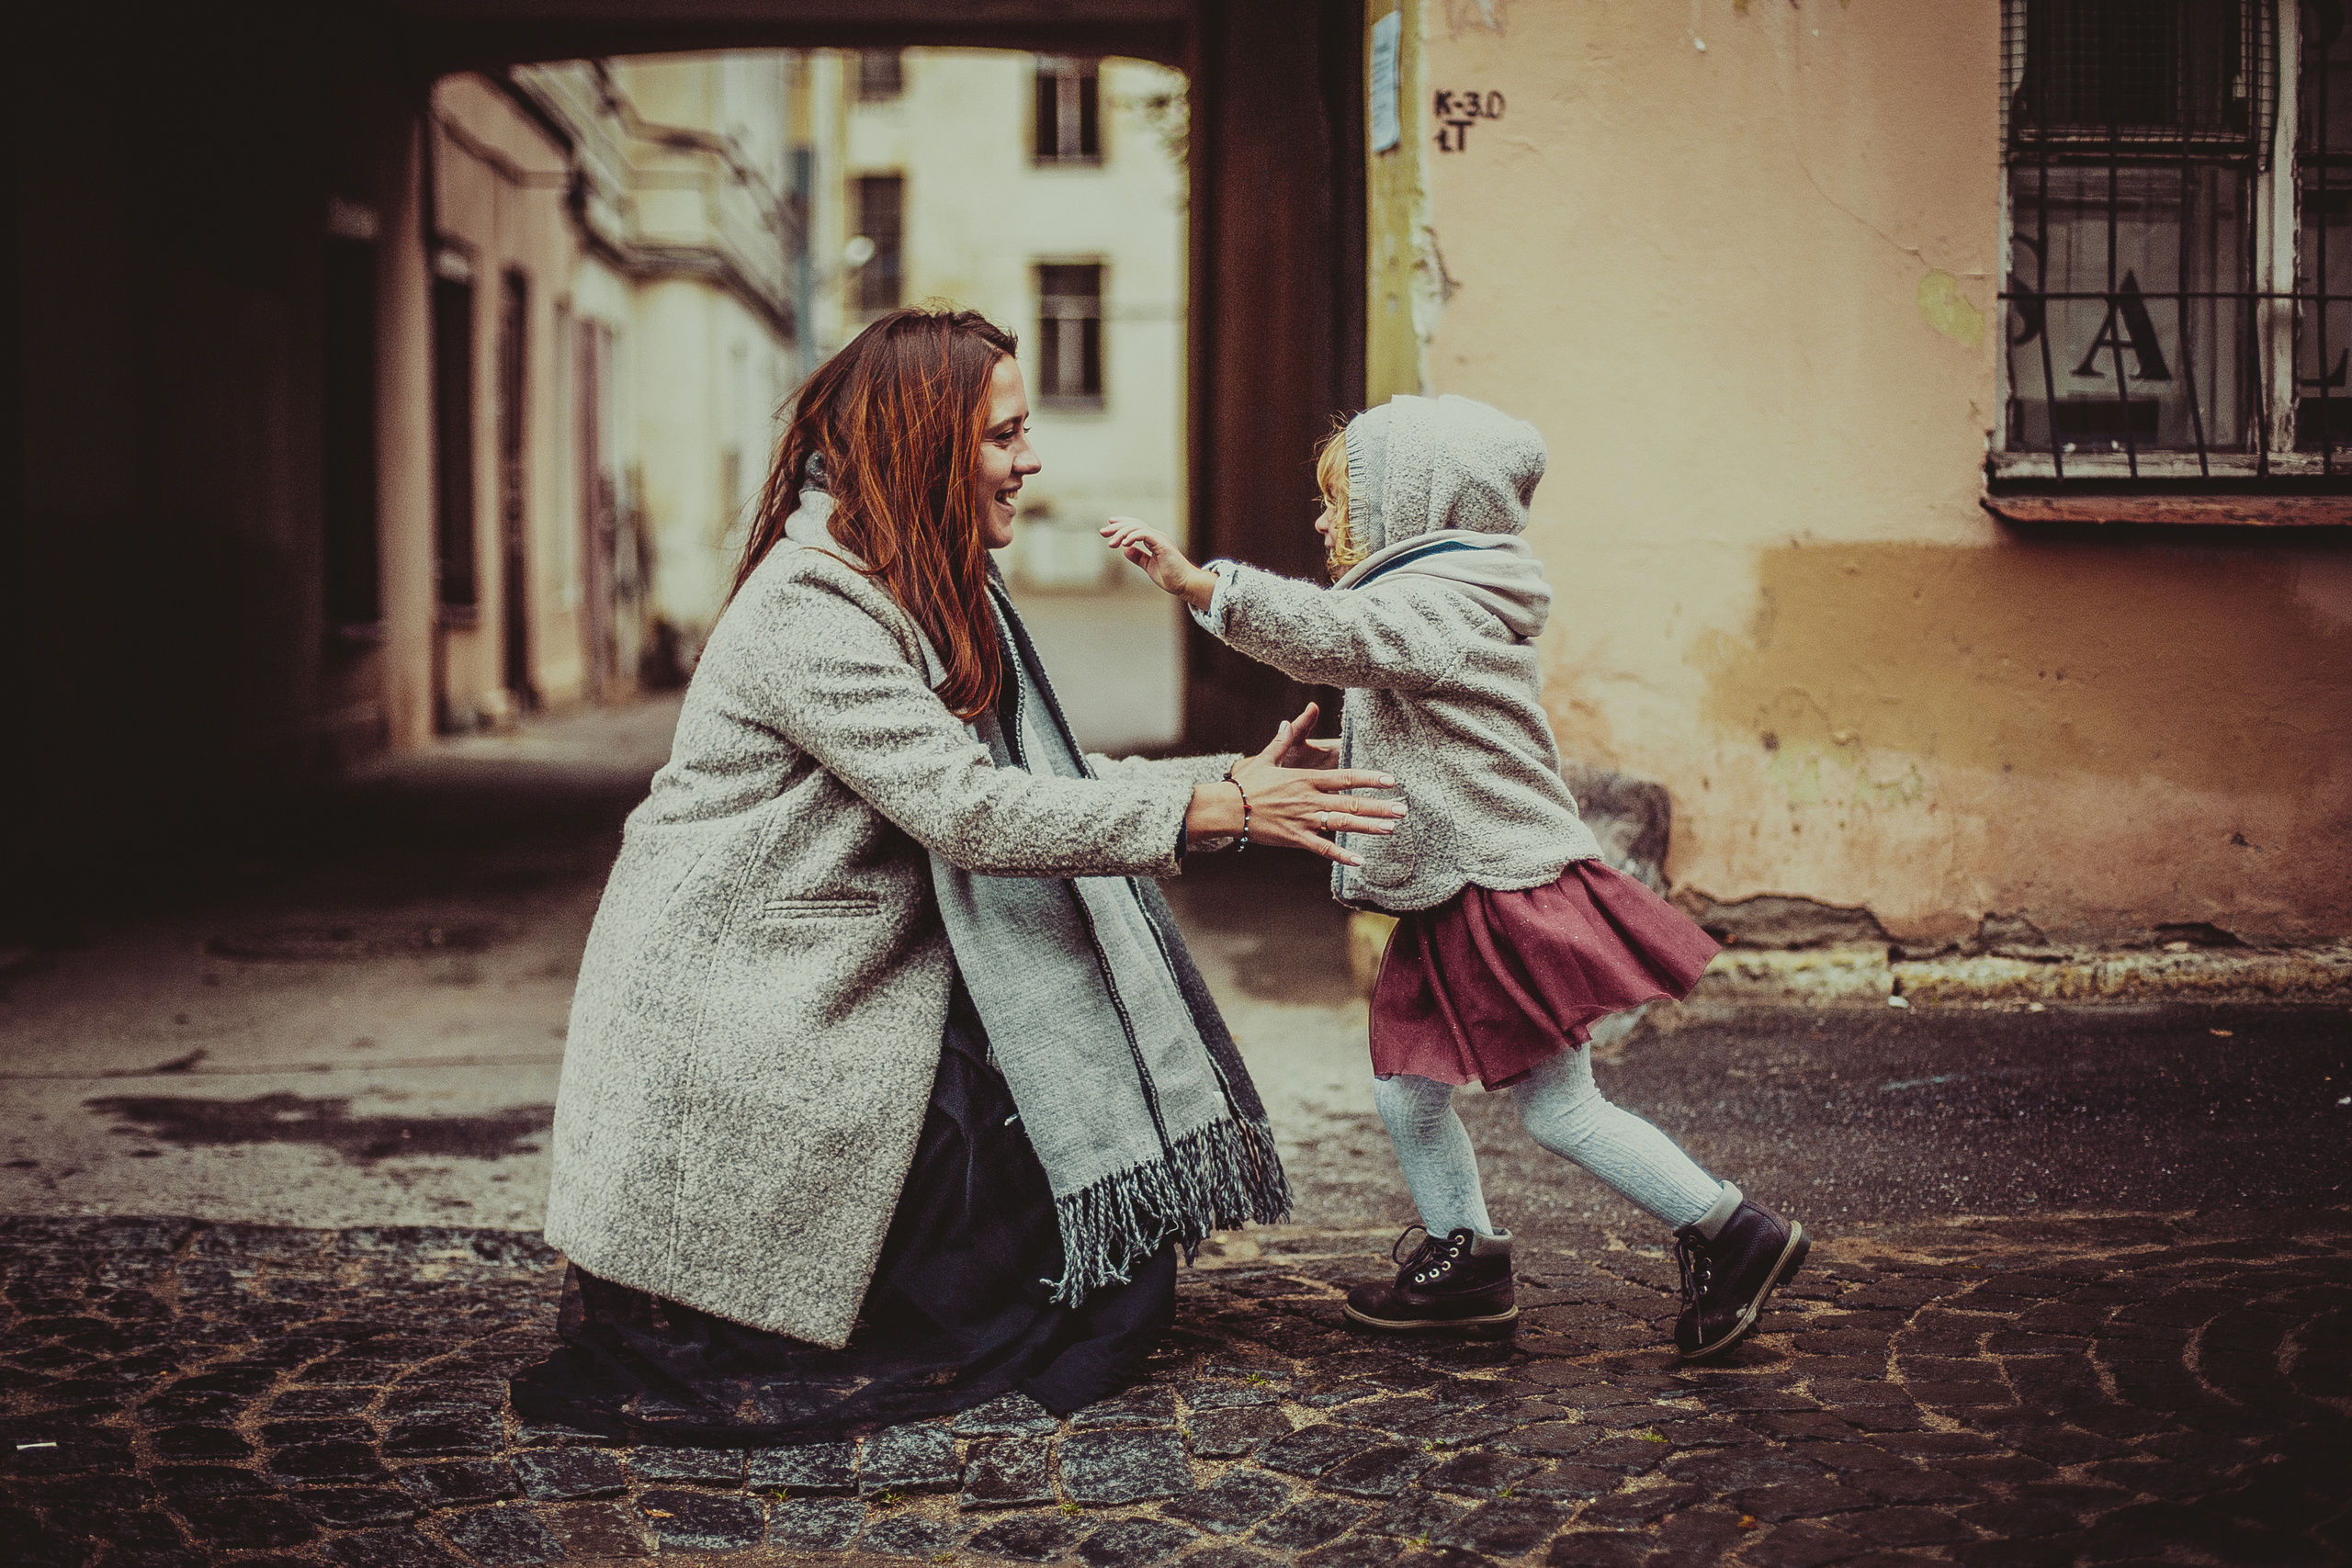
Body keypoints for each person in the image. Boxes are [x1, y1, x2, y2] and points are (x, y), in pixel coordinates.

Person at [512, 307, 1407, 1441]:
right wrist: (1215, 812)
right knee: (1023, 1207)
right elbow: (970, 811)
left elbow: (1034, 779)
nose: (1031, 461)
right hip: (747, 1010)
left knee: (1066, 1214)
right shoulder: (810, 607)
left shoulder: (926, 587)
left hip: (837, 976)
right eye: (1004, 435)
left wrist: (1224, 780)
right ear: (923, 446)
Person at [1100, 393, 1807, 1361]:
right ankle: (1466, 1258)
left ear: (1413, 505)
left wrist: (1202, 585)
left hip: (1494, 887)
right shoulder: (1438, 598)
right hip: (1454, 888)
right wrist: (1327, 764)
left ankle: (1733, 1233)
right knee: (1408, 1089)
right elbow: (1428, 735)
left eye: (1339, 502)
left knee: (1561, 1110)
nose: (1321, 523)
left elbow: (1333, 636)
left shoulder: (1438, 604)